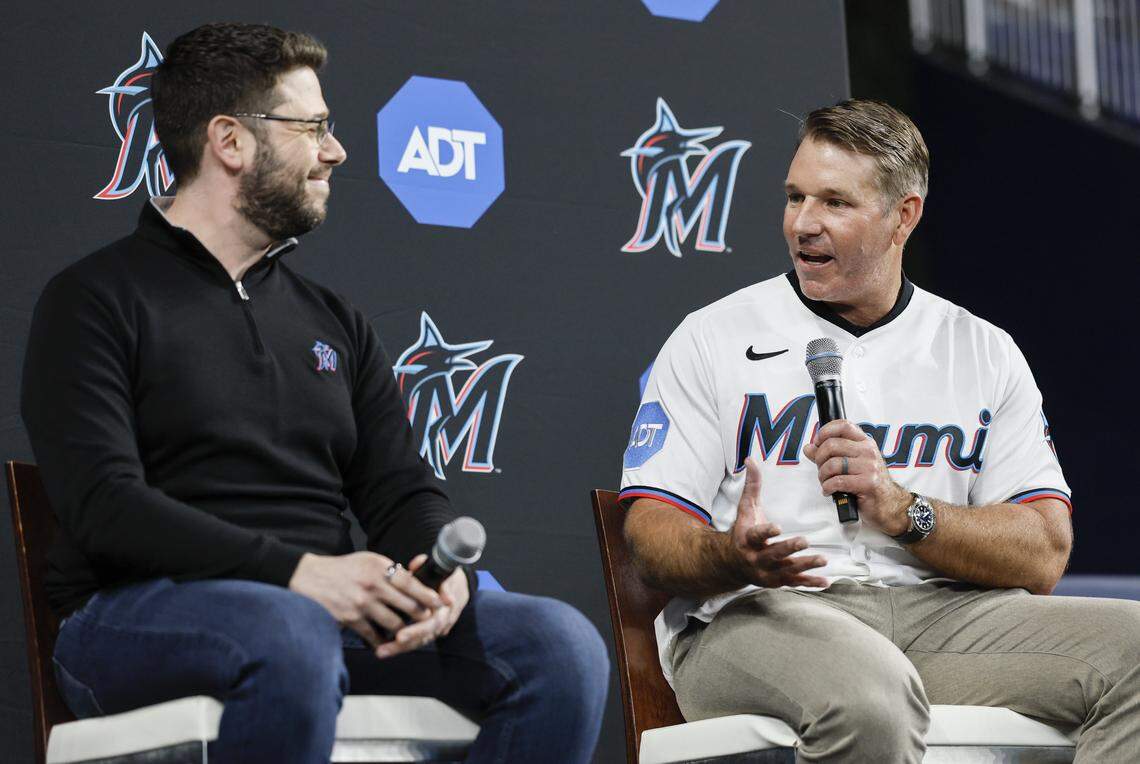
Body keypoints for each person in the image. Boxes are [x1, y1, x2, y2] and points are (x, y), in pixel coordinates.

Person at [22, 23, 607, 763]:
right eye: (314, 128)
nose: (337, 151)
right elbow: (105, 506)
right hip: (135, 618)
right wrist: (299, 576)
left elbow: (398, 489)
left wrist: (440, 573)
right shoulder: (95, 299)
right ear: (231, 142)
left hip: (320, 620)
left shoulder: (333, 318)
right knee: (288, 633)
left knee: (558, 645)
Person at [619, 99, 1139, 762]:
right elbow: (649, 536)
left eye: (835, 202)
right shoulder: (714, 336)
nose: (803, 224)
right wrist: (730, 556)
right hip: (760, 614)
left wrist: (905, 512)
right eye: (795, 197)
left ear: (905, 215)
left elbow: (1042, 553)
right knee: (870, 698)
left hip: (940, 618)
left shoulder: (981, 349)